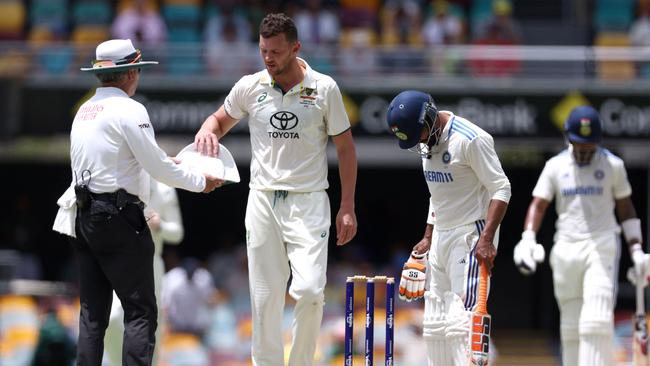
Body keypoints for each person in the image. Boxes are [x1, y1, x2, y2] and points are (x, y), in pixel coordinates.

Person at [194, 13, 358, 366]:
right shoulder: (250, 86)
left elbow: (345, 149)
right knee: (265, 298)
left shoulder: (324, 88)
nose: (268, 58)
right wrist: (207, 131)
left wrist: (347, 206)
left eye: (276, 52)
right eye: (263, 50)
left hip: (309, 200)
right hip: (263, 200)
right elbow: (218, 120)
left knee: (312, 292)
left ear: (296, 48)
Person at [52, 39, 222, 366]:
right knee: (140, 311)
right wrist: (201, 183)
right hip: (120, 218)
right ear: (130, 73)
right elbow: (155, 167)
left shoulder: (84, 111)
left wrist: (166, 162)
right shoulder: (132, 109)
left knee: (92, 314)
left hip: (84, 218)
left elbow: (135, 161)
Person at [512, 105, 646, 366]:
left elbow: (625, 206)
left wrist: (636, 248)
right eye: (579, 145)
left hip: (601, 244)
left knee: (596, 319)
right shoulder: (555, 166)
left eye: (590, 146)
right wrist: (528, 237)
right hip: (566, 247)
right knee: (571, 326)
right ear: (567, 138)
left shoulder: (613, 166)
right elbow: (538, 204)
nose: (585, 151)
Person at [385, 90, 511, 365]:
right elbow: (438, 193)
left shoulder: (471, 139)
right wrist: (427, 236)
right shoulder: (425, 140)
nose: (417, 142)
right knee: (435, 322)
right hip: (441, 234)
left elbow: (501, 188)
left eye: (417, 133)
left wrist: (487, 238)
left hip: (471, 234)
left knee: (459, 322)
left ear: (429, 118)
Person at [104, 179, 184, 366]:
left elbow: (177, 232)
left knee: (150, 327)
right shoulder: (121, 180)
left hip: (152, 264)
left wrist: (159, 225)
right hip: (121, 261)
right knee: (111, 318)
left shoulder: (165, 189)